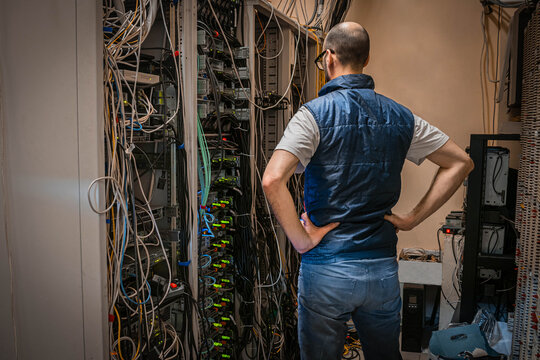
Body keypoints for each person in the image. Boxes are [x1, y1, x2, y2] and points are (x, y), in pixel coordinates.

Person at [262, 22, 474, 360]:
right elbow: (460, 163)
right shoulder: (401, 116)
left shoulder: (312, 116)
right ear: (367, 59)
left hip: (327, 269)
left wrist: (302, 241)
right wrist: (411, 219)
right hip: (381, 270)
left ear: (329, 58)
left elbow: (273, 179)